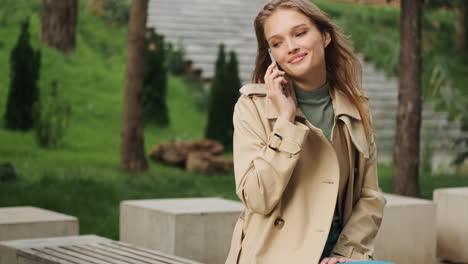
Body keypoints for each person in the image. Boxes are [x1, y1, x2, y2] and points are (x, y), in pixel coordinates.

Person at [224, 0, 387, 264]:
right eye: (277, 43)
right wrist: (285, 121)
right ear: (272, 54)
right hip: (274, 252)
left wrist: (345, 253)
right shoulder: (252, 107)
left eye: (300, 33)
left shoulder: (355, 106)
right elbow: (257, 198)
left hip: (338, 250)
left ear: (324, 36)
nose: (291, 47)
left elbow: (370, 196)